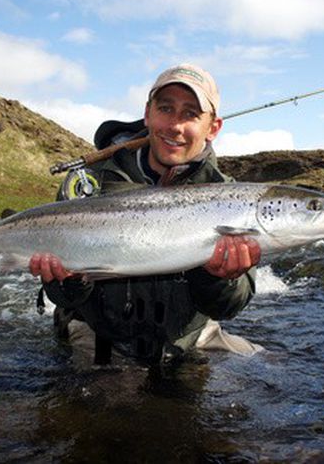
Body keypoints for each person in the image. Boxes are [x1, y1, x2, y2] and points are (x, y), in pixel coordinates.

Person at [29, 63, 262, 365]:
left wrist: (218, 278)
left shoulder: (231, 199)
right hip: (100, 334)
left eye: (190, 114)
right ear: (148, 113)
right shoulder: (89, 184)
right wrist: (69, 281)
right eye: (166, 108)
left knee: (271, 367)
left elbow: (229, 307)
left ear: (212, 128)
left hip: (188, 337)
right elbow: (63, 298)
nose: (175, 126)